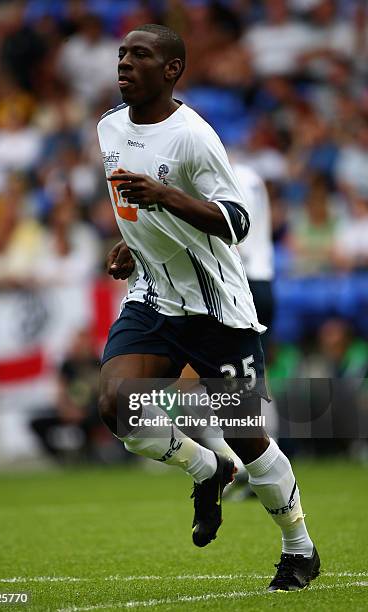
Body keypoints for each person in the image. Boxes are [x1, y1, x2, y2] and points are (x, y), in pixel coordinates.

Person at [97, 24, 319, 592]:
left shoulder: (194, 136)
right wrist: (132, 242)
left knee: (247, 435)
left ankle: (299, 547)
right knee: (117, 408)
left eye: (139, 55)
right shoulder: (109, 127)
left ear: (171, 70)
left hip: (215, 309)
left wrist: (167, 196)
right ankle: (207, 467)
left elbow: (236, 222)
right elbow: (138, 206)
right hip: (153, 295)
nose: (124, 63)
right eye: (121, 53)